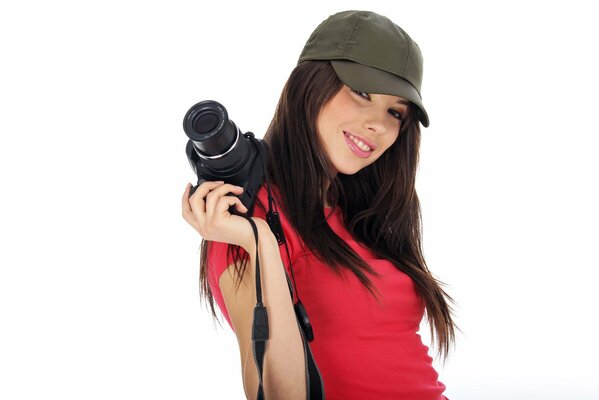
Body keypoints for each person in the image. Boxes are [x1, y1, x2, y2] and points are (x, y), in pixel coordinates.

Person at [182, 10, 458, 400]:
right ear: (310, 85)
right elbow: (280, 394)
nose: (379, 124)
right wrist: (260, 242)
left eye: (395, 112)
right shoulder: (248, 218)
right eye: (362, 92)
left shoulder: (360, 216)